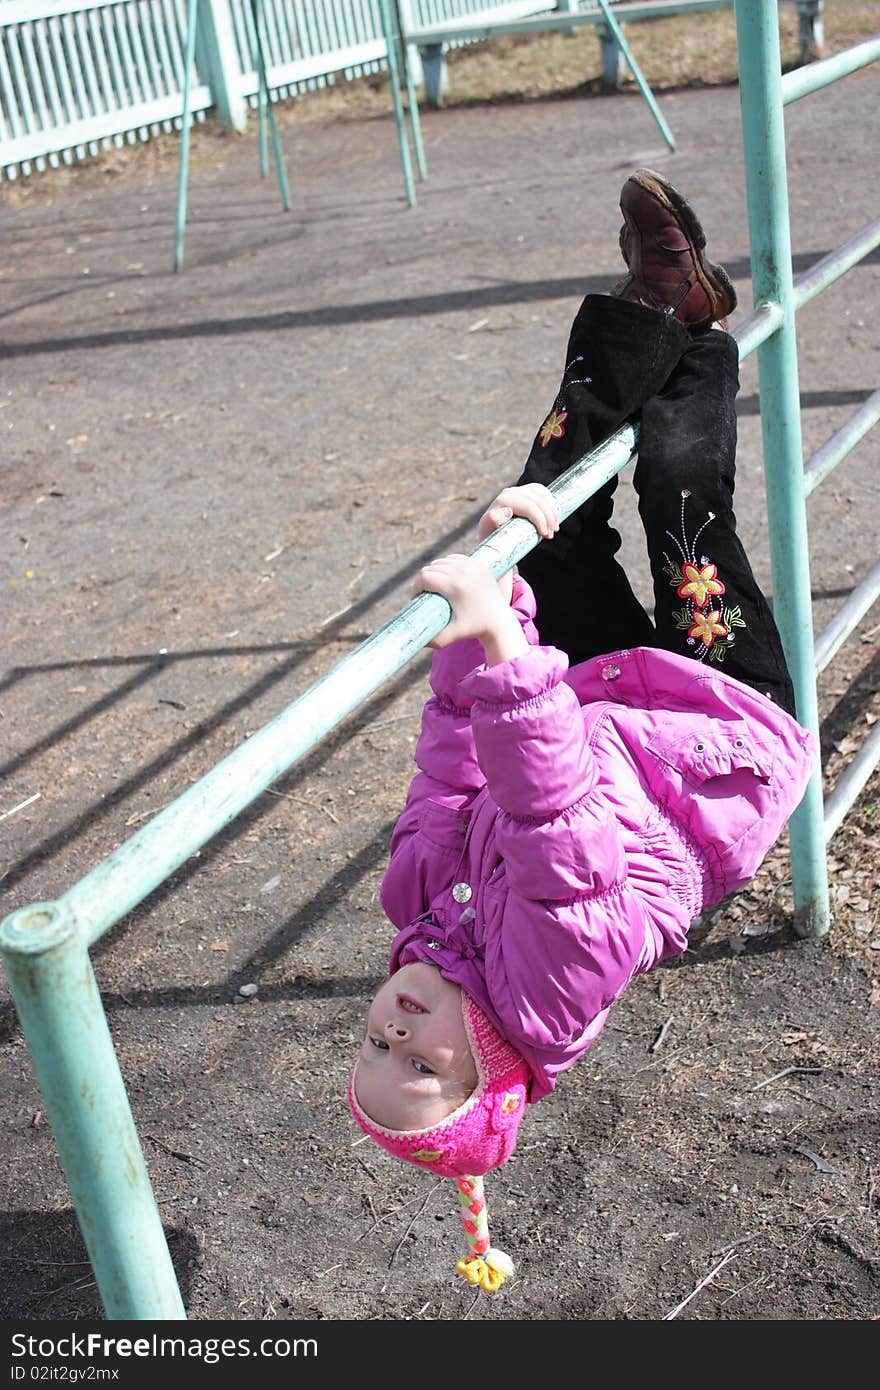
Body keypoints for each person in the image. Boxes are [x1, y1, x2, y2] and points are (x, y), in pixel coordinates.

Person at [348, 170, 818, 1292]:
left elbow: (450, 758)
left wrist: (487, 619)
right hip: (718, 737)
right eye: (424, 1064)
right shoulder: (549, 993)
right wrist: (511, 661)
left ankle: (660, 307)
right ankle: (686, 336)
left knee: (536, 524)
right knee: (678, 490)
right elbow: (552, 821)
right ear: (492, 1070)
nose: (398, 1027)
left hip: (597, 708)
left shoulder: (415, 911)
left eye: (375, 1047)